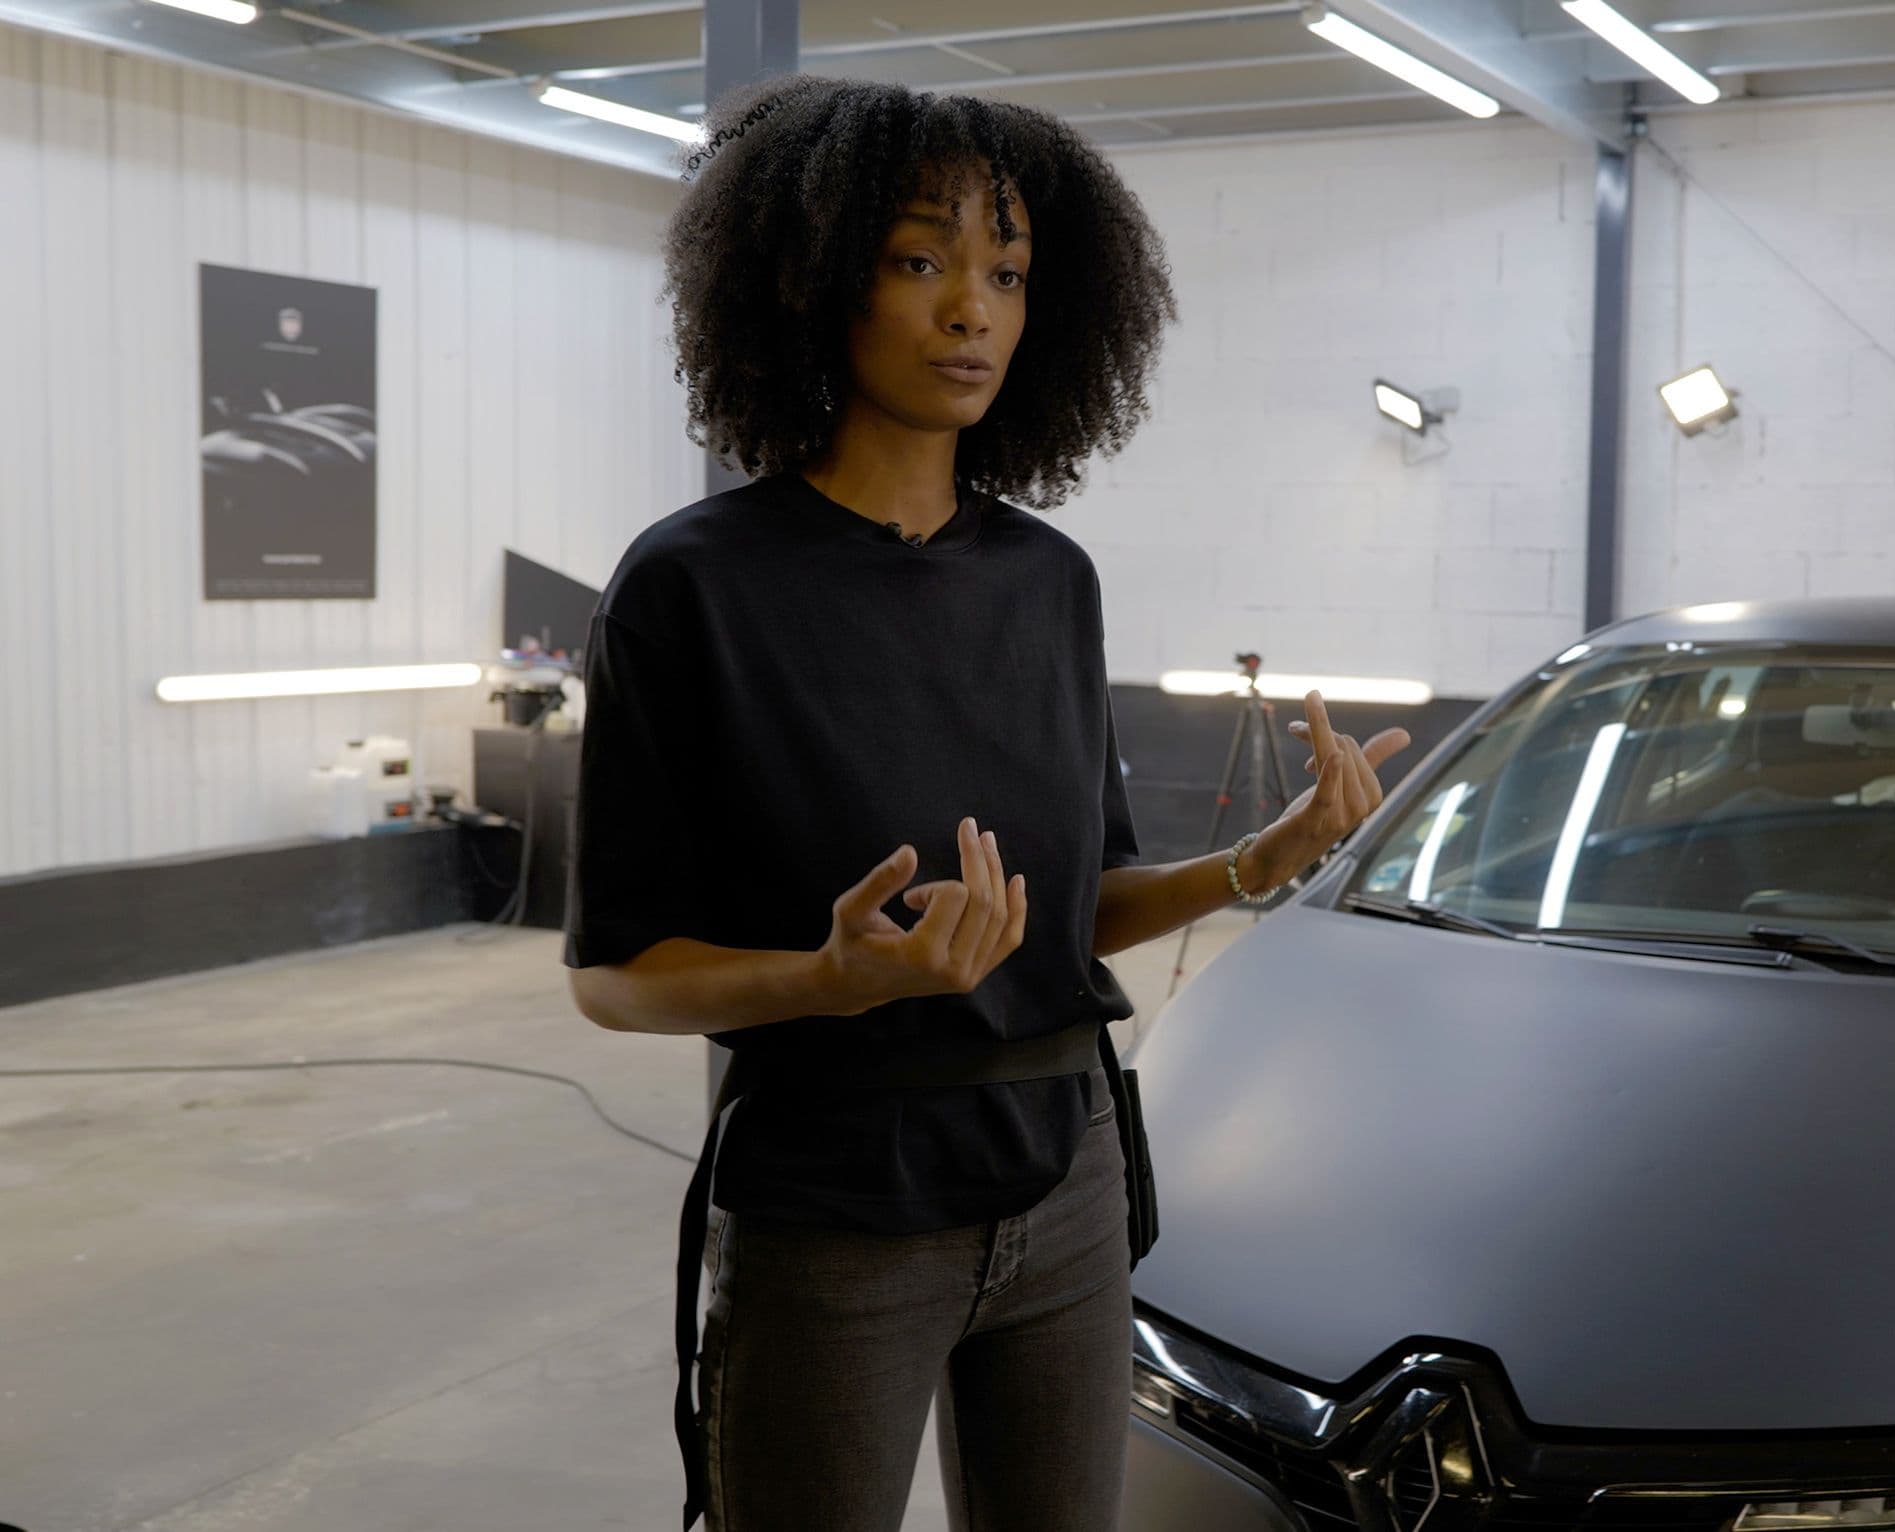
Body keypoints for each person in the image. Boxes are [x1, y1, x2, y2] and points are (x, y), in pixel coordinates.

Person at [559, 76, 1412, 1532]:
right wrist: (830, 981)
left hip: (1066, 1174)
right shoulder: (695, 587)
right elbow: (616, 981)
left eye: (1007, 274)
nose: (972, 310)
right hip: (835, 1207)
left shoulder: (1047, 582)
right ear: (810, 279)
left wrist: (1255, 864)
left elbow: (1070, 915)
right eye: (919, 261)